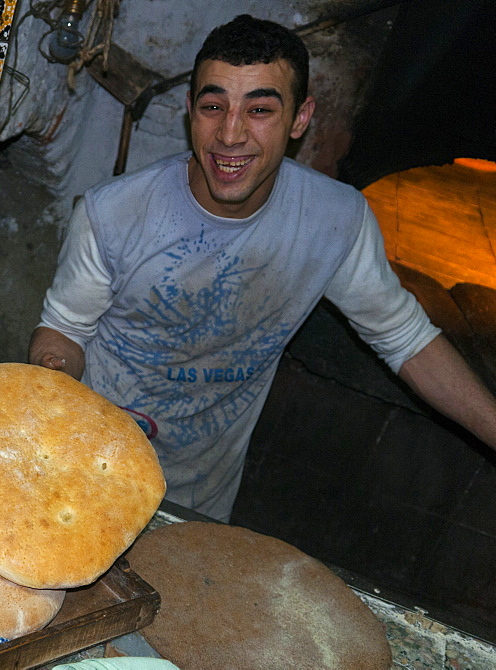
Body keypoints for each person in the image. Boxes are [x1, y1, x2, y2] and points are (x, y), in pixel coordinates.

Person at [28, 14, 496, 522]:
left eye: (259, 110)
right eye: (213, 106)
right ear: (191, 112)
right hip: (86, 473)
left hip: (197, 501)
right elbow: (65, 330)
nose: (230, 134)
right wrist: (49, 378)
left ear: (300, 119)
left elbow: (405, 338)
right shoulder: (112, 213)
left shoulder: (332, 220)